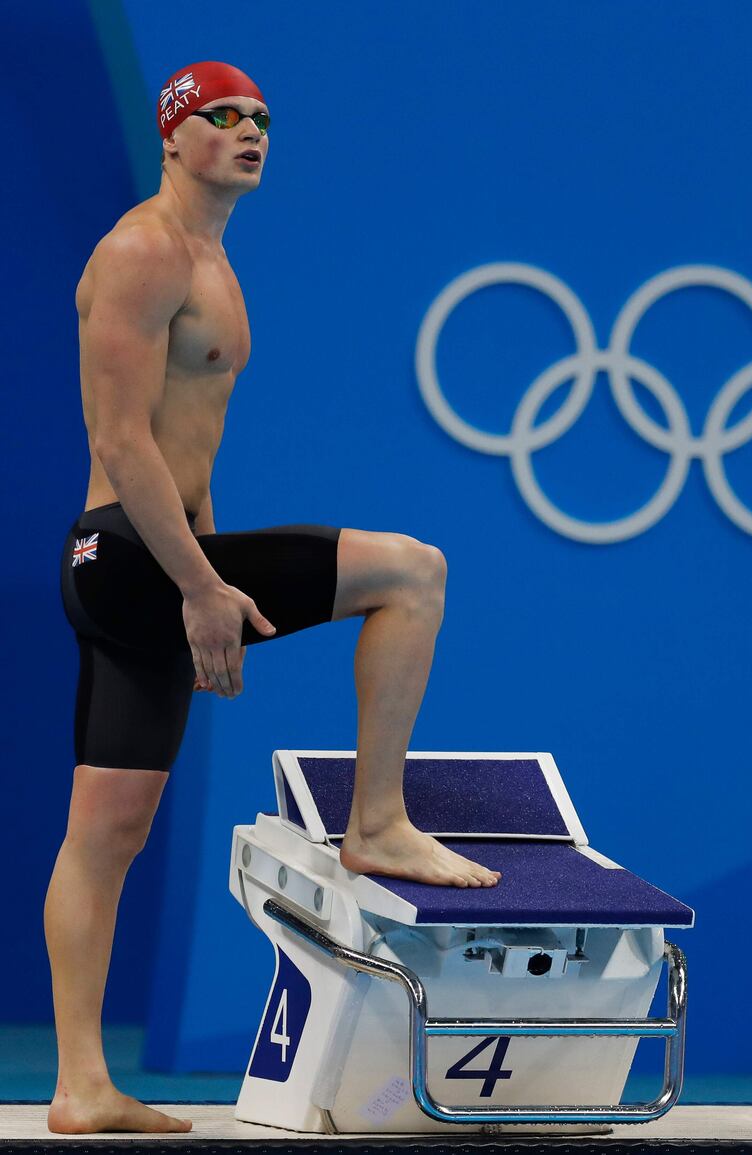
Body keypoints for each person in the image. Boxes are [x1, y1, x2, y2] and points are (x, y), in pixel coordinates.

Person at [45, 61, 501, 1136]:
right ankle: (376, 824)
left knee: (105, 832)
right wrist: (203, 587)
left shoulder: (211, 258)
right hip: (134, 559)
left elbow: (185, 452)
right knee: (411, 570)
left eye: (260, 120)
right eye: (222, 118)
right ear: (171, 136)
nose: (249, 133)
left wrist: (200, 565)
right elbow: (119, 440)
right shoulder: (144, 250)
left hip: (147, 561)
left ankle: (81, 1090)